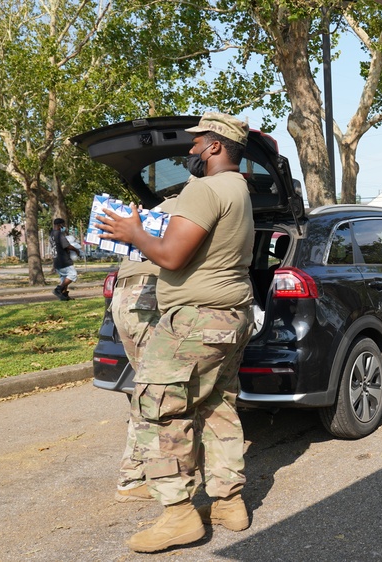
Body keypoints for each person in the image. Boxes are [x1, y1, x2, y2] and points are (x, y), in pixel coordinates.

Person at [95, 112, 255, 553]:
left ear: (217, 146)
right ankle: (228, 503)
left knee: (157, 408)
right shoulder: (239, 189)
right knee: (218, 405)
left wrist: (132, 231)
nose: (190, 150)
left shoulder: (204, 189)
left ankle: (178, 515)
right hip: (231, 315)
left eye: (197, 142)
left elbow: (171, 255)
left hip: (195, 320)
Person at [111, 196, 177, 504]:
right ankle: (135, 477)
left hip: (126, 298)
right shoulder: (194, 204)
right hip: (145, 300)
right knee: (156, 392)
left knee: (146, 390)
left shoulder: (160, 206)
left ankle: (135, 473)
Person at [50, 218, 81, 301]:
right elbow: (67, 246)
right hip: (63, 260)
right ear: (60, 225)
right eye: (63, 225)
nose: (64, 227)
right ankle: (58, 289)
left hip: (56, 260)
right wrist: (76, 250)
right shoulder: (59, 234)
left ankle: (64, 295)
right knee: (72, 274)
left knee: (64, 278)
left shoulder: (52, 234)